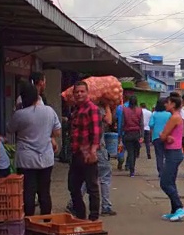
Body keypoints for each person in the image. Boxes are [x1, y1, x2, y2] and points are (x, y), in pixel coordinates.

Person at [8, 82, 61, 216]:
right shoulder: (49, 111)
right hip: (46, 159)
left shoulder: (20, 114)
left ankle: (30, 223)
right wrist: (46, 135)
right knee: (44, 193)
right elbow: (57, 131)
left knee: (28, 192)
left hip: (26, 161)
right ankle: (46, 222)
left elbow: (10, 129)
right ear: (37, 96)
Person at [66, 103, 117, 216]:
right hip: (96, 151)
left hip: (83, 151)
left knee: (85, 180)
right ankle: (105, 207)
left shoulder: (79, 111)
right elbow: (109, 120)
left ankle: (73, 205)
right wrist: (107, 104)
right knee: (101, 179)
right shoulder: (96, 109)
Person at [68, 81, 101, 221]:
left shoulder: (91, 109)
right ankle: (80, 215)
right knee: (72, 186)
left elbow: (96, 132)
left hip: (88, 154)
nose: (79, 94)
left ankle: (93, 217)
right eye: (77, 92)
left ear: (87, 93)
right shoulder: (76, 110)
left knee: (91, 187)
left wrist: (93, 151)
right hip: (76, 153)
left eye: (82, 91)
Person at [159, 96, 184, 222]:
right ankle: (174, 210)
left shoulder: (174, 117)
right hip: (174, 152)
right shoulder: (177, 117)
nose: (166, 104)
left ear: (173, 104)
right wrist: (167, 137)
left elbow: (162, 135)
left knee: (165, 183)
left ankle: (180, 207)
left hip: (173, 153)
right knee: (170, 182)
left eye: (168, 103)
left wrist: (164, 136)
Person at [120, 96, 144, 177]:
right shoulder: (140, 110)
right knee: (134, 152)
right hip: (136, 134)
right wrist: (142, 136)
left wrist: (120, 134)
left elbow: (122, 123)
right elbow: (141, 124)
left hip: (127, 134)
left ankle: (131, 170)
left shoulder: (125, 110)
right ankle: (132, 168)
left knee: (130, 152)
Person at [149, 98, 171, 177]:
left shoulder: (154, 114)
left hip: (156, 136)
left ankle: (160, 171)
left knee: (159, 155)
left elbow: (151, 124)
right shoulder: (168, 114)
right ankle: (166, 170)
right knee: (167, 154)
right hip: (167, 136)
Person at [115, 97, 129, 171]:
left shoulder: (120, 107)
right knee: (130, 149)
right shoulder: (136, 109)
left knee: (120, 147)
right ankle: (128, 165)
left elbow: (116, 118)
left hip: (121, 131)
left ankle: (120, 159)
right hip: (131, 132)